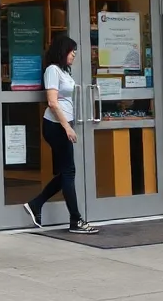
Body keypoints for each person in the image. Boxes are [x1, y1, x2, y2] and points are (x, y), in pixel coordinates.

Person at [22, 35, 98, 234]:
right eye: (72, 51)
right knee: (69, 172)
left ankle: (36, 204)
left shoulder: (64, 71)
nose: (74, 55)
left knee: (66, 172)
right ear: (63, 51)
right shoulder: (52, 70)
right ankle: (76, 220)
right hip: (55, 125)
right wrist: (67, 127)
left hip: (62, 125)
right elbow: (53, 102)